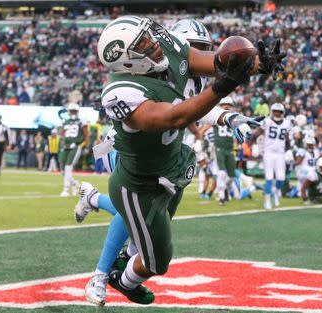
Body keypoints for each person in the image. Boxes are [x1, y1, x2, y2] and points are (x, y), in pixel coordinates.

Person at [74, 16, 284, 306]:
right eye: (143, 45)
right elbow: (174, 116)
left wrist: (255, 64)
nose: (155, 45)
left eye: (149, 37)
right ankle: (104, 275)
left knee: (147, 233)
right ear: (128, 62)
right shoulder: (120, 90)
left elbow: (213, 64)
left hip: (171, 160)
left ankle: (112, 234)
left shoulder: (169, 47)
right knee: (150, 246)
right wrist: (223, 89)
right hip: (135, 168)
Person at [253, 103, 292, 209]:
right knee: (269, 177)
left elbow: (287, 139)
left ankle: (275, 191)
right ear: (272, 111)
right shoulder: (267, 121)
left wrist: (289, 150)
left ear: (282, 113)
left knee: (281, 178)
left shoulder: (287, 123)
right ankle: (267, 200)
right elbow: (256, 134)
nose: (277, 113)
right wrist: (254, 145)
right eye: (275, 111)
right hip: (268, 153)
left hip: (280, 154)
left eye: (279, 112)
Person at [59, 103, 89, 196]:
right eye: (71, 111)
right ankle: (75, 183)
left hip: (75, 146)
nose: (73, 112)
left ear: (77, 111)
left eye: (74, 111)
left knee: (68, 167)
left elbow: (86, 134)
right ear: (68, 112)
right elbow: (62, 132)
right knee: (63, 170)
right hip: (66, 146)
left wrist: (85, 145)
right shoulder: (65, 121)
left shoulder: (81, 121)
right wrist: (63, 139)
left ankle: (66, 190)